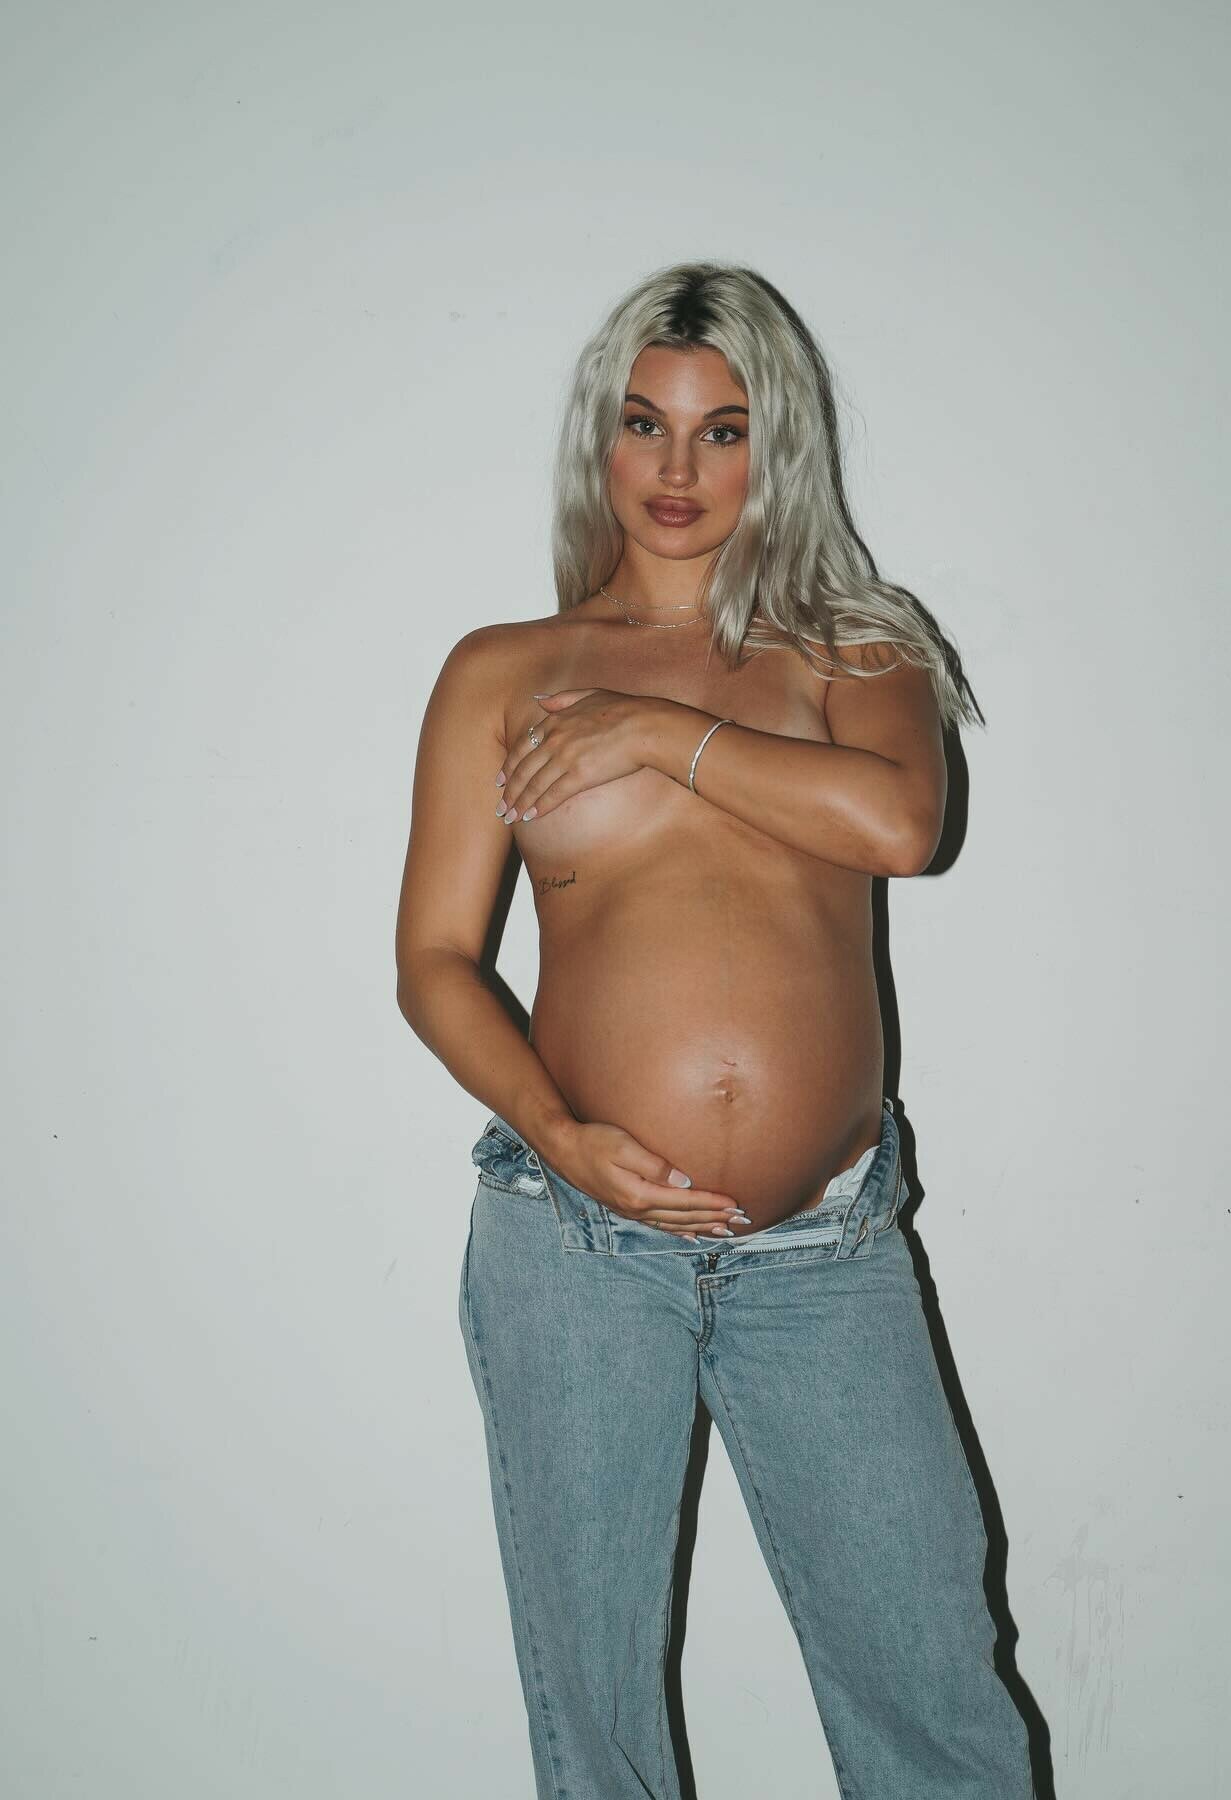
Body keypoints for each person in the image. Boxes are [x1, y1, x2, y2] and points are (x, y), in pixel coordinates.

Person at [395, 262, 1036, 1798]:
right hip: (575, 1241)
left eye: (723, 429)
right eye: (646, 423)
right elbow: (434, 961)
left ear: (776, 446)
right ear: (601, 438)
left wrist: (660, 734)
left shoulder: (855, 650)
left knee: (933, 1691)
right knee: (599, 1719)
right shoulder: (503, 674)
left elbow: (900, 825)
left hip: (825, 1250)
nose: (676, 469)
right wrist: (562, 1137)